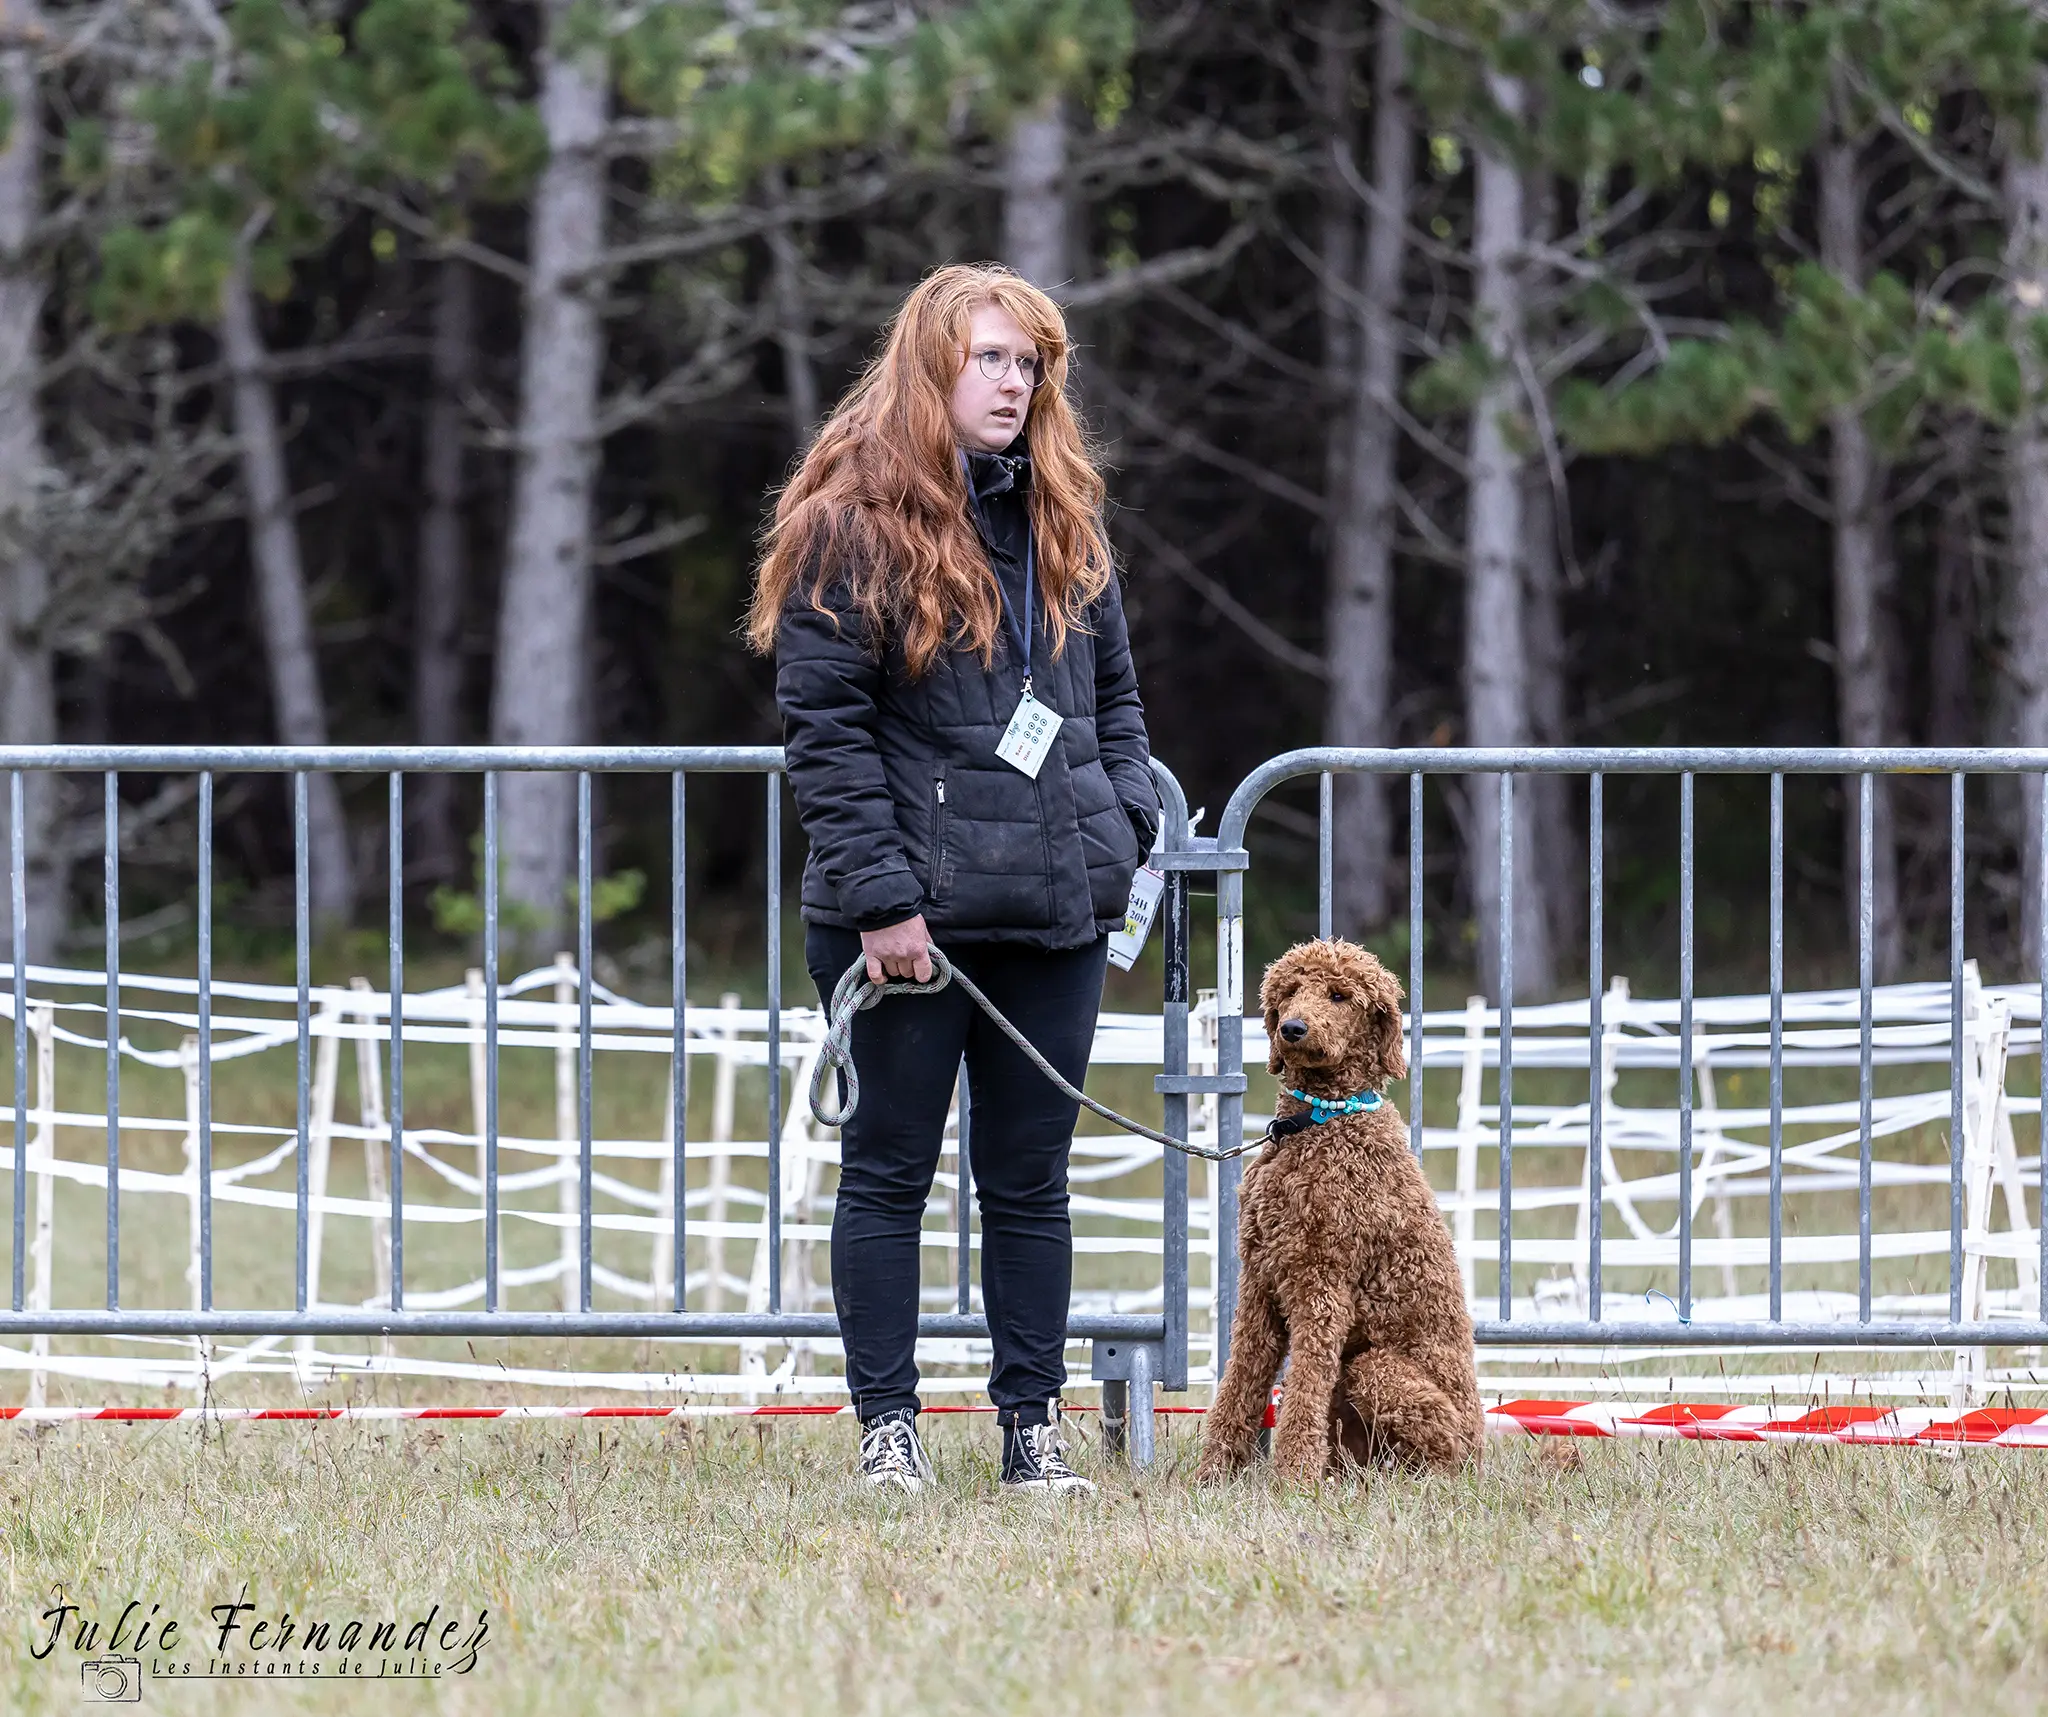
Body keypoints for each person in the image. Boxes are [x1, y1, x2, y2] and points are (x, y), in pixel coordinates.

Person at [747, 263, 1158, 1494]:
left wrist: (1120, 825)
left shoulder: (1064, 519)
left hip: (1053, 910)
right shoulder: (846, 524)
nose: (1014, 383)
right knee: (887, 1173)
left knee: (1029, 1180)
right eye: (988, 359)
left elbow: (1119, 705)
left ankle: (1030, 1433)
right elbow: (824, 737)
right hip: (906, 923)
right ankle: (888, 1432)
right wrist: (879, 903)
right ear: (931, 368)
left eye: (1029, 364)